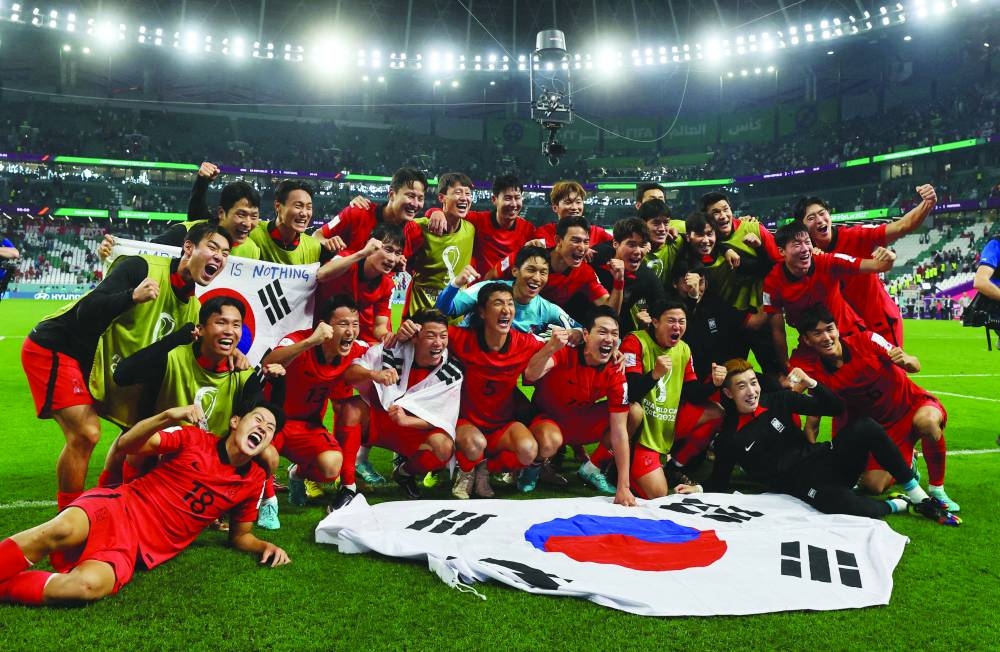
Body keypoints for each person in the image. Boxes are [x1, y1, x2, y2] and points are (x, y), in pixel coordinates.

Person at [21, 222, 231, 509]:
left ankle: (103, 505)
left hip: (105, 366)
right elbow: (87, 311)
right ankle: (68, 523)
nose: (219, 256)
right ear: (188, 247)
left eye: (226, 253)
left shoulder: (193, 311)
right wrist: (131, 297)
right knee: (86, 433)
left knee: (135, 432)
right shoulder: (142, 267)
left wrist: (236, 356)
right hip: (61, 345)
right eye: (213, 247)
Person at [0, 402, 291, 606]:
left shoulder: (252, 481)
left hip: (135, 548)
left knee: (84, 587)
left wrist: (265, 546)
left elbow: (240, 535)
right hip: (119, 506)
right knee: (59, 529)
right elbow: (128, 445)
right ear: (235, 422)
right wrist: (167, 415)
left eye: (270, 429)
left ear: (269, 444)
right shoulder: (193, 438)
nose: (263, 428)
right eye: (258, 420)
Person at [687, 359, 959, 526]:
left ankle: (919, 496)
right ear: (728, 393)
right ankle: (899, 504)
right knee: (842, 505)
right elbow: (719, 482)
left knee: (864, 427)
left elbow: (836, 409)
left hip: (827, 458)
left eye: (753, 383)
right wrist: (696, 488)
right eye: (741, 387)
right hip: (804, 485)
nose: (751, 391)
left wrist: (813, 384)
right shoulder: (730, 438)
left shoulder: (779, 401)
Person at [101, 296, 285, 527]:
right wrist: (178, 337)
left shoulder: (243, 374)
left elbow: (270, 422)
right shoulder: (172, 357)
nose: (229, 331)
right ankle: (124, 500)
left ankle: (256, 502)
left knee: (268, 454)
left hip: (212, 459)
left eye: (236, 325)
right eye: (221, 323)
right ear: (201, 329)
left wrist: (279, 384)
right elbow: (123, 375)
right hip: (168, 450)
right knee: (133, 443)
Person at [791, 306, 959, 511]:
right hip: (879, 429)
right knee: (872, 486)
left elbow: (915, 364)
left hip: (911, 405)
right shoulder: (817, 374)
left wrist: (907, 361)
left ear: (838, 329)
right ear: (807, 340)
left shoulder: (869, 340)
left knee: (928, 423)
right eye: (817, 333)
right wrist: (811, 464)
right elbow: (813, 423)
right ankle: (909, 464)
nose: (826, 337)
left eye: (830, 329)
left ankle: (937, 489)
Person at [261, 295, 370, 511]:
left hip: (307, 426)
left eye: (355, 324)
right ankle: (266, 499)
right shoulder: (298, 340)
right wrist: (311, 341)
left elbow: (384, 349)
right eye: (343, 324)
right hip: (273, 422)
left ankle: (297, 474)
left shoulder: (354, 349)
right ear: (324, 326)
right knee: (266, 456)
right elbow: (268, 362)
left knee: (331, 467)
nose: (350, 331)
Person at [795, 185, 937, 345]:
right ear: (802, 226)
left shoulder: (857, 236)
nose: (820, 220)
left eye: (822, 213)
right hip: (845, 332)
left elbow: (902, 226)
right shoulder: (805, 257)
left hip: (878, 323)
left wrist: (927, 203)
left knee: (891, 369)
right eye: (811, 218)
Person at [523, 305, 636, 506]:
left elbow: (619, 431)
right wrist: (550, 347)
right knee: (549, 441)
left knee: (634, 413)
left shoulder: (616, 369)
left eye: (614, 334)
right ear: (585, 335)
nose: (609, 338)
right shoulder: (565, 352)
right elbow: (530, 375)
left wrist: (624, 487)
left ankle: (593, 468)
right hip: (549, 420)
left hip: (580, 421)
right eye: (602, 332)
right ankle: (533, 467)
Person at [344, 309, 462, 499]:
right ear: (414, 337)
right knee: (350, 408)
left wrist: (406, 421)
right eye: (431, 336)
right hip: (379, 422)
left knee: (444, 447)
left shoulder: (452, 373)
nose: (438, 343)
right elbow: (349, 374)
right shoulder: (391, 348)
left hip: (411, 432)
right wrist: (373, 374)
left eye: (443, 336)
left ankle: (404, 473)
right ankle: (346, 483)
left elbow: (444, 419)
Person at [446, 282, 546, 499]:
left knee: (529, 450)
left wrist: (575, 335)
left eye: (510, 304)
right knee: (475, 445)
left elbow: (559, 349)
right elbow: (432, 326)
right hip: (466, 423)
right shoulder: (462, 338)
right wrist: (412, 329)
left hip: (502, 426)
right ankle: (466, 470)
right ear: (482, 312)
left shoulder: (525, 342)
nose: (506, 310)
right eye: (498, 303)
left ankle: (485, 468)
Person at [763, 221, 896, 379]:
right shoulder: (772, 283)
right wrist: (785, 365)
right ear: (781, 251)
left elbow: (876, 265)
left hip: (849, 336)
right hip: (812, 344)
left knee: (878, 379)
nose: (805, 249)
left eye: (807, 242)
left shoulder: (827, 262)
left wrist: (889, 258)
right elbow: (777, 329)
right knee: (791, 384)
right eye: (797, 244)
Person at [619, 300, 725, 499]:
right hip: (640, 430)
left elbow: (692, 392)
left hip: (666, 424)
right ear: (655, 322)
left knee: (716, 412)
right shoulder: (634, 341)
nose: (677, 327)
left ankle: (674, 465)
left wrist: (714, 384)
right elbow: (630, 393)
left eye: (682, 321)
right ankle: (614, 465)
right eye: (671, 321)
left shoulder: (683, 349)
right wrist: (655, 375)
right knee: (657, 493)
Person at [97, 163, 262, 262]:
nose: (248, 223)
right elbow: (146, 254)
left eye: (254, 216)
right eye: (241, 214)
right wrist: (113, 252)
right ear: (221, 212)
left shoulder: (252, 249)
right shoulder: (187, 232)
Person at [488, 216, 615, 324]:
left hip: (544, 327)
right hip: (504, 318)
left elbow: (609, 309)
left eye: (586, 242)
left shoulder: (585, 273)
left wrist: (619, 281)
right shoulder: (527, 256)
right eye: (575, 240)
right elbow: (491, 276)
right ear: (558, 241)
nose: (582, 247)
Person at [437, 245, 580, 337]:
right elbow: (443, 308)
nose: (537, 278)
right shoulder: (487, 289)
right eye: (531, 270)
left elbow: (580, 330)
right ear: (515, 271)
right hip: (465, 354)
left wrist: (576, 335)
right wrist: (455, 284)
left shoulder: (547, 309)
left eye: (543, 272)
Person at [426, 173, 535, 276]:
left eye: (517, 198)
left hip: (510, 290)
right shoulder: (477, 220)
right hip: (477, 289)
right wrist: (436, 212)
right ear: (494, 199)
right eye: (508, 198)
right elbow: (451, 213)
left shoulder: (528, 229)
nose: (514, 204)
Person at [402, 172, 476, 317]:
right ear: (442, 198)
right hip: (421, 317)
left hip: (455, 319)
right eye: (458, 192)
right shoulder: (419, 227)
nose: (464, 197)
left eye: (468, 193)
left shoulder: (471, 230)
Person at [317, 167, 428, 254]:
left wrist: (435, 212)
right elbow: (317, 235)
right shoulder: (358, 212)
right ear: (392, 195)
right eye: (410, 196)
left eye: (420, 198)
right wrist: (327, 243)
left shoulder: (415, 233)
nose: (415, 204)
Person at [591, 217, 667, 332]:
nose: (637, 252)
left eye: (642, 245)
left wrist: (648, 324)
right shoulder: (596, 256)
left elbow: (663, 309)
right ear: (615, 244)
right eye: (631, 245)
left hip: (618, 327)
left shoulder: (647, 277)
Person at [249, 179, 332, 266]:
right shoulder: (252, 233)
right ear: (278, 206)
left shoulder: (314, 247)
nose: (304, 213)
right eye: (298, 206)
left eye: (308, 207)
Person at [532, 180, 613, 249]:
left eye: (578, 202)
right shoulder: (543, 233)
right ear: (555, 208)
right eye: (568, 202)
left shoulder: (597, 233)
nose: (574, 207)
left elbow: (618, 247)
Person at [637, 199, 685, 287]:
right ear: (642, 224)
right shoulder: (633, 250)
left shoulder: (677, 242)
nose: (662, 228)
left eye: (666, 223)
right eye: (656, 223)